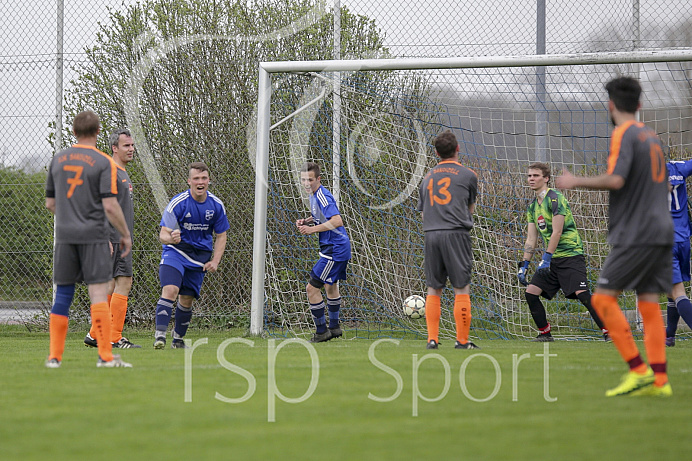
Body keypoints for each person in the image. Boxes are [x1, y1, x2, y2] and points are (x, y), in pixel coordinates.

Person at [556, 76, 673, 397]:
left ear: (610, 105)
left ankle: (638, 370)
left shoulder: (623, 133)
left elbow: (617, 180)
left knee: (604, 299)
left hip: (637, 232)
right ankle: (660, 382)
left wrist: (575, 180)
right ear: (639, 104)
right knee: (649, 304)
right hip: (663, 229)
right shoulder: (651, 136)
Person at [44, 110, 133, 368]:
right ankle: (105, 356)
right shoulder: (103, 161)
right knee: (98, 294)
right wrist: (124, 234)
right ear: (97, 132)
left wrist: (71, 213)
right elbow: (109, 205)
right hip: (94, 236)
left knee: (63, 294)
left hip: (65, 236)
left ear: (73, 131)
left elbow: (51, 203)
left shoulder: (58, 159)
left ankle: (54, 357)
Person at [517, 162, 608, 342]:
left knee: (582, 294)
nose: (531, 179)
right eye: (529, 176)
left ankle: (609, 330)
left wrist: (546, 257)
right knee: (531, 292)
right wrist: (524, 264)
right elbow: (531, 239)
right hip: (551, 260)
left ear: (546, 178)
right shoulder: (533, 207)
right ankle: (545, 333)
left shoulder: (555, 198)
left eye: (536, 176)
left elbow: (557, 231)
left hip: (570, 255)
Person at [153, 162, 229, 349]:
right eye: (196, 178)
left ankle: (177, 340)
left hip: (199, 257)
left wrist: (215, 261)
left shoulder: (216, 205)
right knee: (170, 289)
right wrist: (171, 238)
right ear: (189, 181)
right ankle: (160, 337)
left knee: (186, 299)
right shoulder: (178, 203)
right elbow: (163, 234)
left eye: (204, 178)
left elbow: (221, 236)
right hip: (176, 252)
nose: (200, 182)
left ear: (209, 181)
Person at [417, 130, 479, 350]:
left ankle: (432, 339)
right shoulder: (468, 175)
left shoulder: (426, 177)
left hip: (431, 234)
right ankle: (462, 341)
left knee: (433, 288)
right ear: (457, 149)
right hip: (456, 234)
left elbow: (423, 213)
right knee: (461, 288)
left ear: (436, 152)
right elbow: (469, 209)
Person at [84, 128, 141, 349]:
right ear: (114, 148)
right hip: (110, 239)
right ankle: (112, 336)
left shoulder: (122, 172)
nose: (132, 149)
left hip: (121, 239)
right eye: (126, 145)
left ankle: (96, 334)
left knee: (116, 284)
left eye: (133, 145)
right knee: (116, 284)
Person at [296, 162, 351, 343]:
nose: (306, 183)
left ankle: (322, 331)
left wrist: (312, 230)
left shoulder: (323, 195)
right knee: (330, 285)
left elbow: (337, 220)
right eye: (303, 180)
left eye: (310, 180)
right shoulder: (313, 195)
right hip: (335, 248)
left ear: (318, 179)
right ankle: (334, 328)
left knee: (311, 288)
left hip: (334, 249)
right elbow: (323, 216)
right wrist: (307, 221)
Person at [664, 159, 692, 346]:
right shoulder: (677, 167)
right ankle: (669, 336)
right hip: (683, 239)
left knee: (678, 291)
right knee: (671, 289)